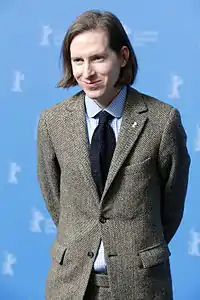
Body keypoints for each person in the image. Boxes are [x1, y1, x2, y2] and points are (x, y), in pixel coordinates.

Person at [37, 9, 191, 300]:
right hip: (69, 283)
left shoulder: (162, 120)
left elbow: (171, 205)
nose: (87, 72)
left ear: (122, 56)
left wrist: (137, 246)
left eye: (97, 58)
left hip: (141, 282)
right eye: (77, 61)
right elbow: (55, 198)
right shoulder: (52, 122)